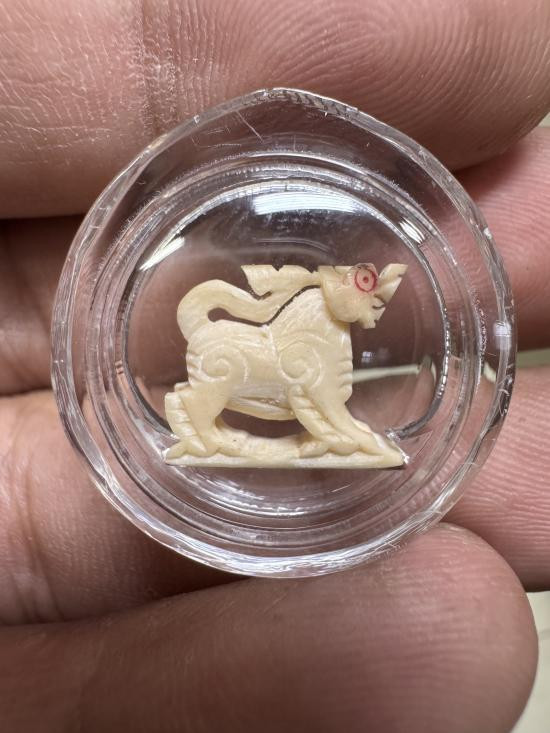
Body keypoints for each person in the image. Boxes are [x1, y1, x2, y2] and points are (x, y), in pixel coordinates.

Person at [0, 1, 549, 730]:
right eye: (366, 301)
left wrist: (354, 435)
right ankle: (199, 422)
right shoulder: (294, 331)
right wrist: (348, 434)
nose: (373, 317)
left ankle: (206, 422)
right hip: (226, 364)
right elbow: (321, 409)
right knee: (226, 392)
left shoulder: (332, 332)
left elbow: (329, 407)